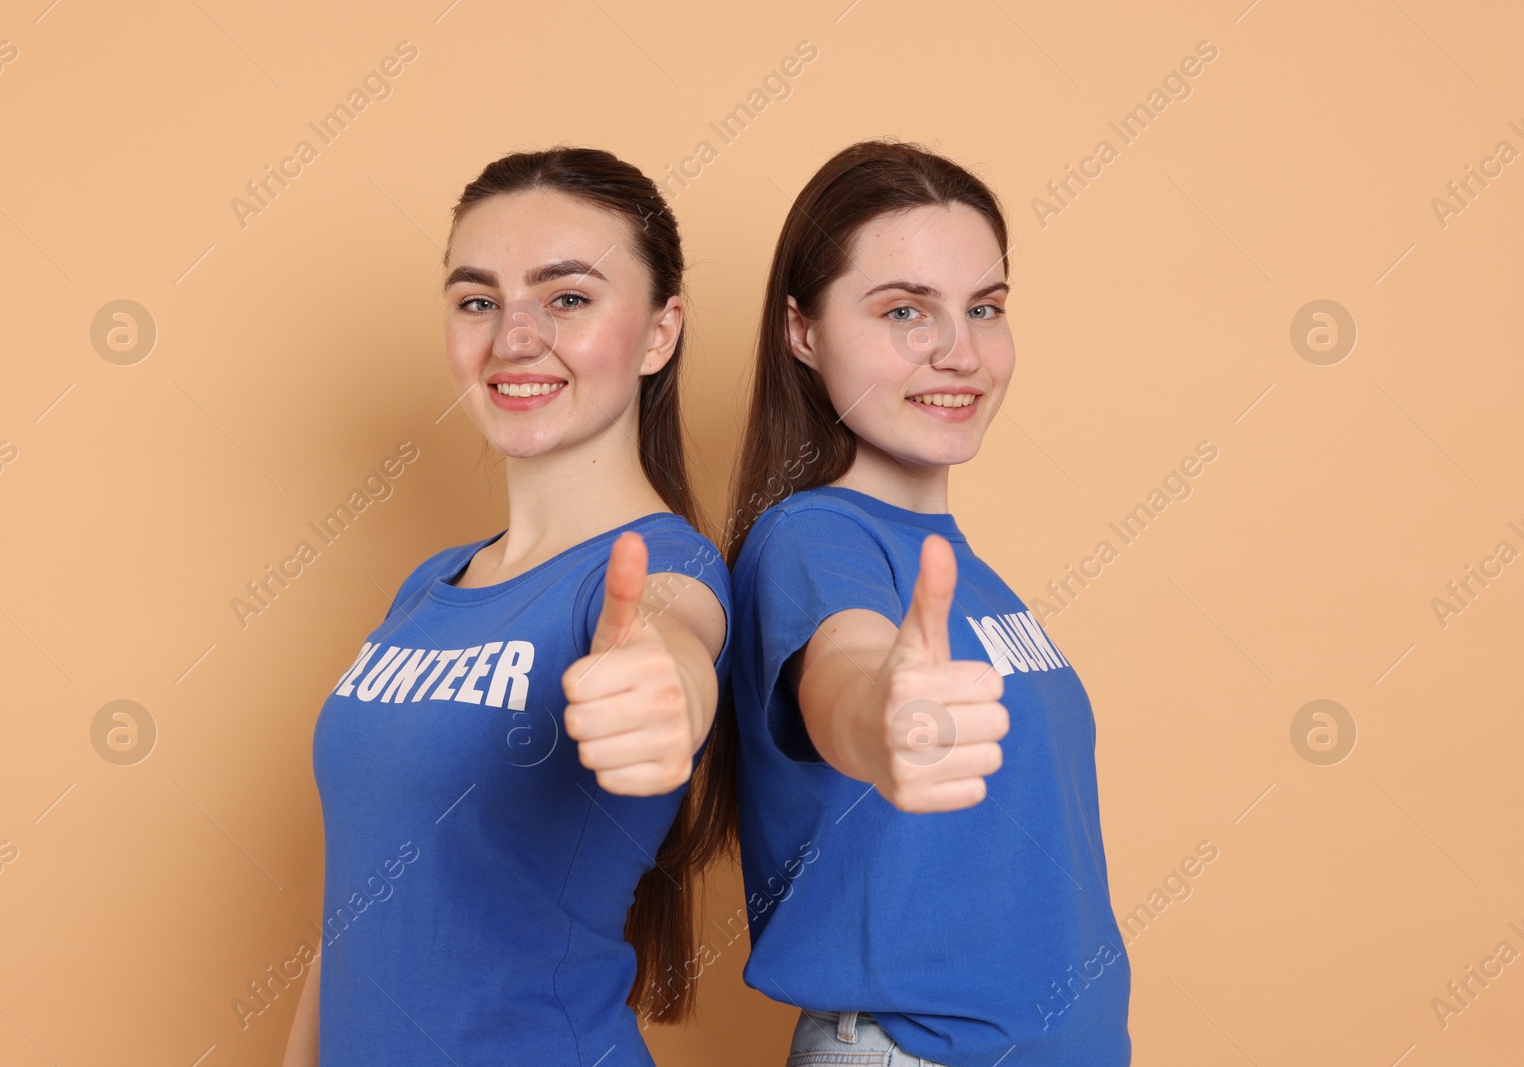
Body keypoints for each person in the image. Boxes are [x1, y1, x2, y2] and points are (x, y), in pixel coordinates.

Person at [284, 147, 732, 1065]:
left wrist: (662, 693)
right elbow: (355, 910)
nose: (513, 337)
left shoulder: (663, 571)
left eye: (567, 298)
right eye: (478, 299)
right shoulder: (428, 587)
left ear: (659, 332)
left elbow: (669, 640)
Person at [724, 140, 1132, 1066]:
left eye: (983, 308)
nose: (960, 350)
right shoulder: (814, 538)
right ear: (803, 330)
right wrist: (882, 714)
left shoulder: (966, 574)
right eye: (904, 310)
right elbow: (850, 674)